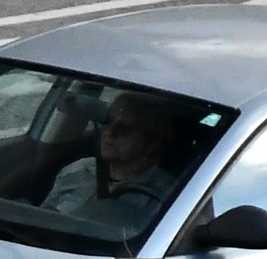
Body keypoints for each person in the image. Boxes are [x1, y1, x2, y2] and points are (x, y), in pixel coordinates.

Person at [42, 93, 179, 233]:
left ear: (151, 143)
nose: (110, 132)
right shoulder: (76, 170)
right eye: (108, 122)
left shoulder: (165, 197)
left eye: (124, 128)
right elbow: (42, 218)